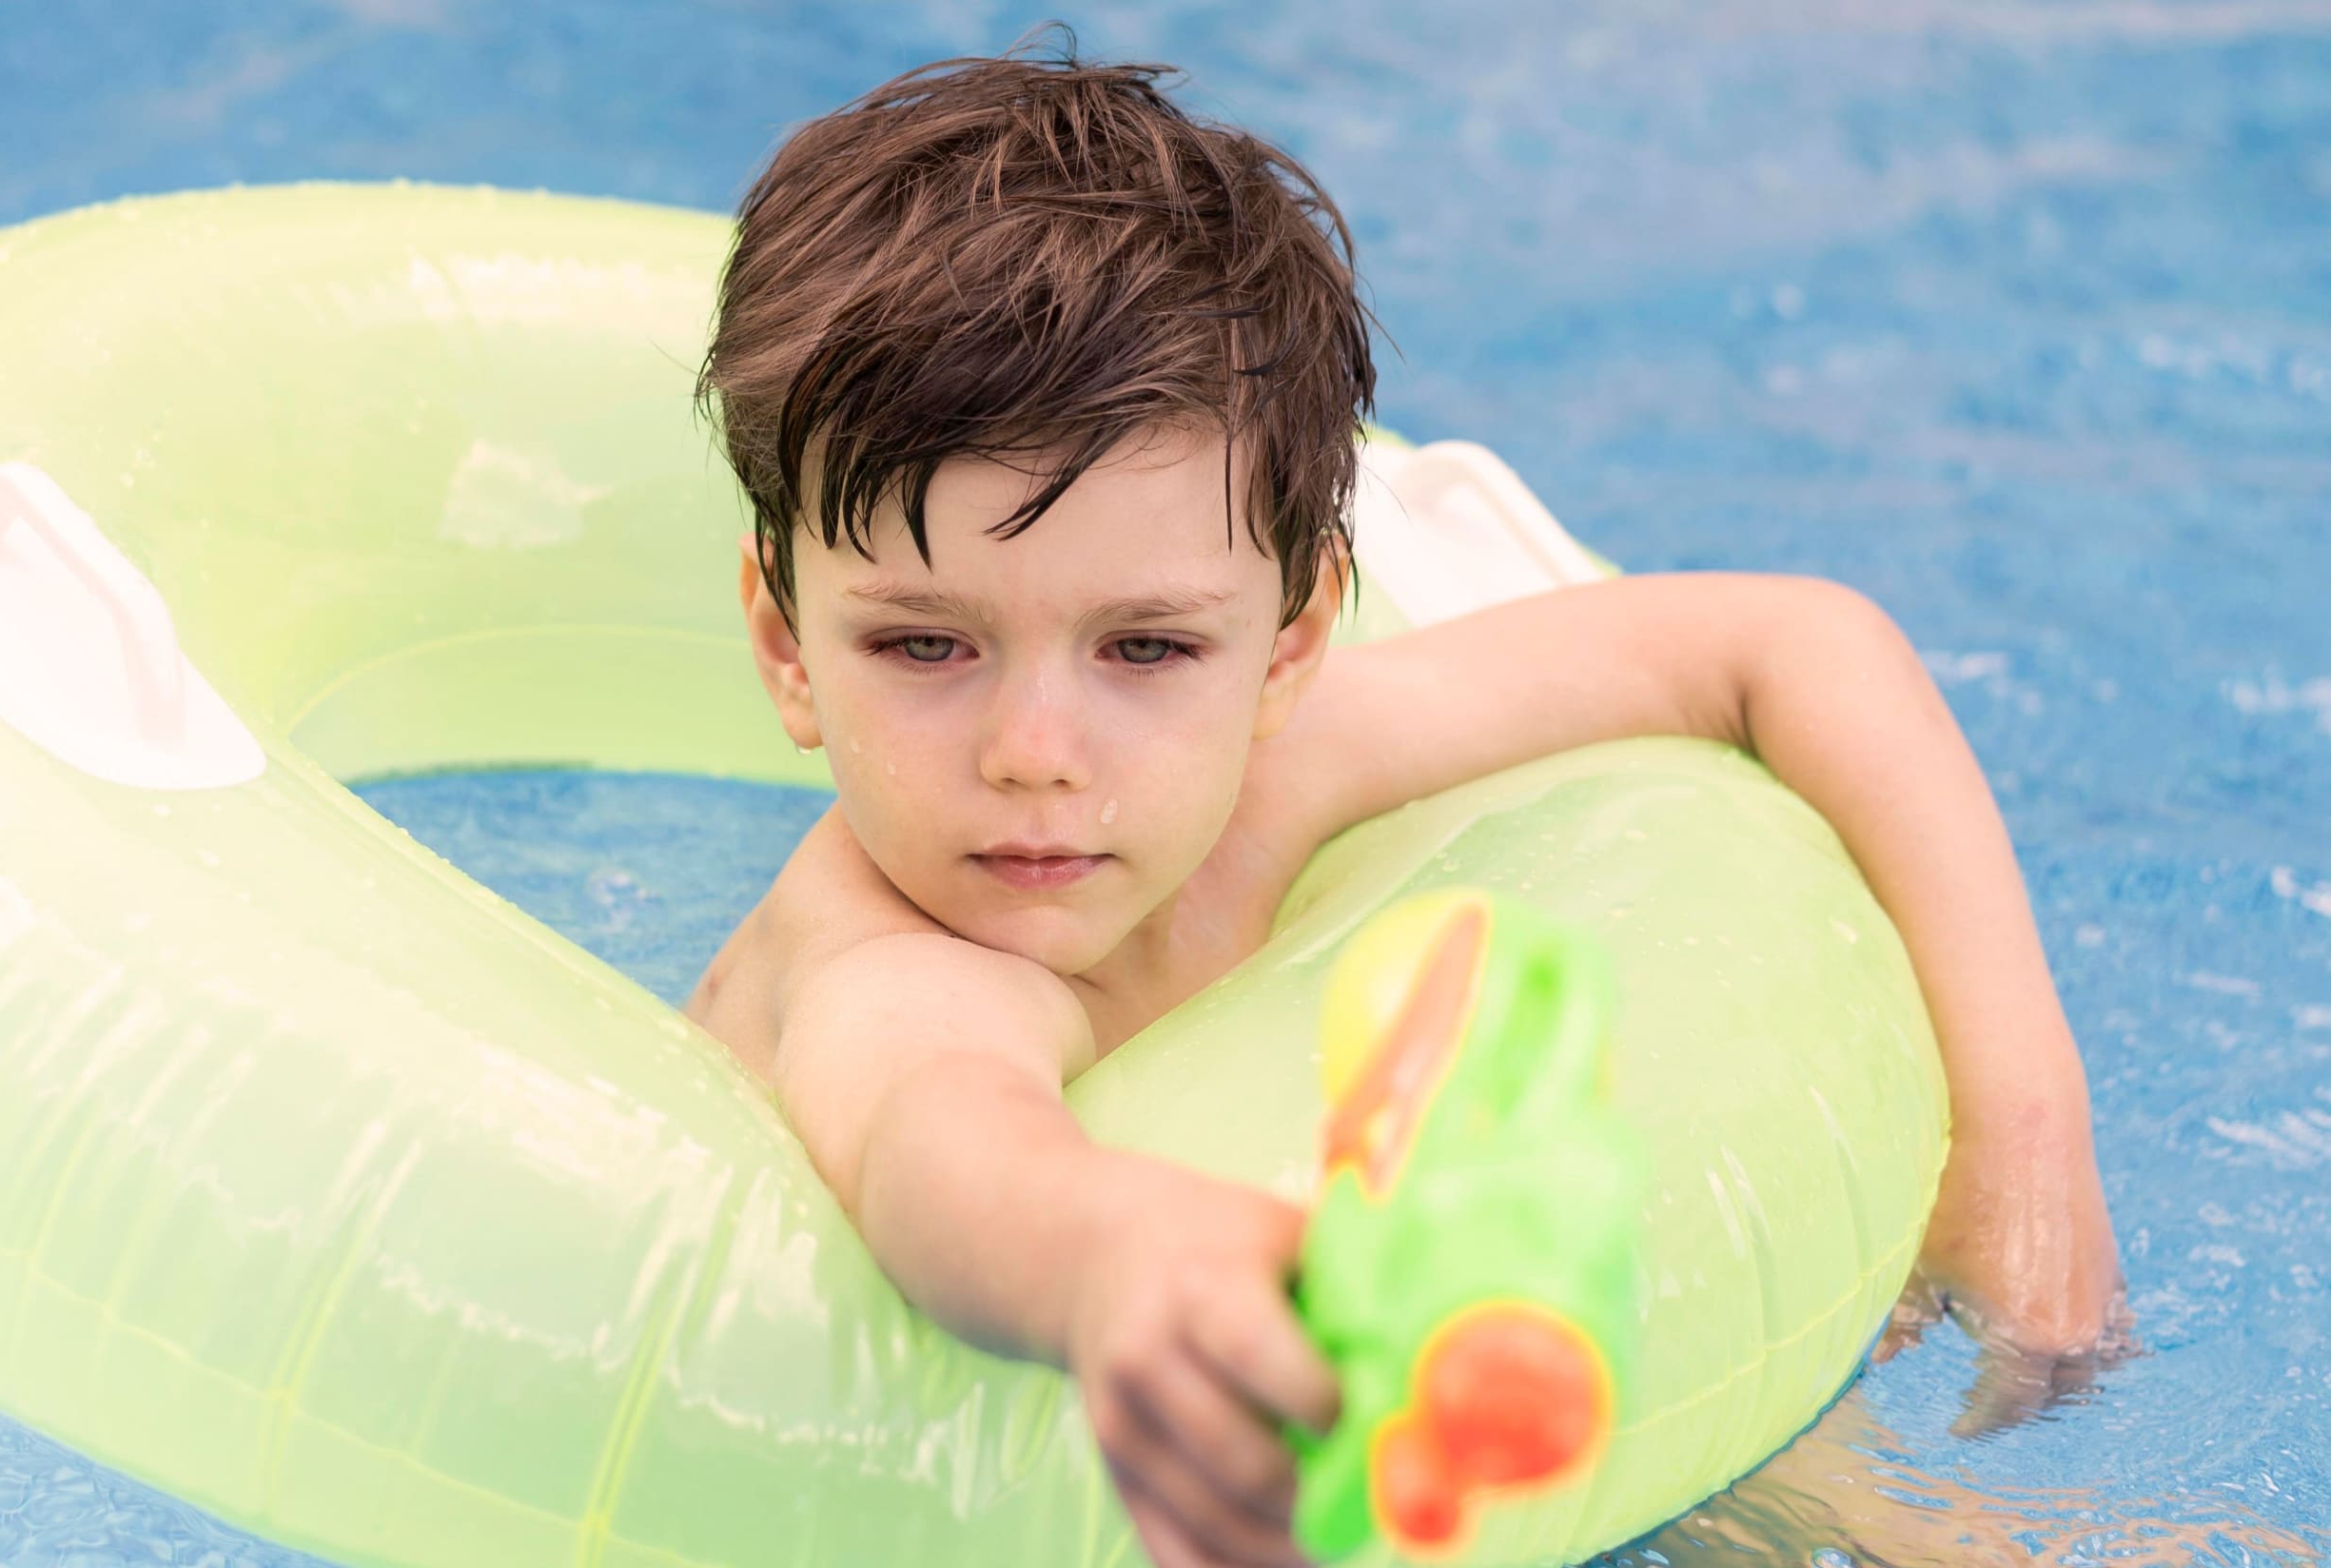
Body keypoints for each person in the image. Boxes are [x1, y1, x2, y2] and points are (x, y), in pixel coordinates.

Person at [681, 29, 2123, 1568]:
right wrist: (1122, 1259)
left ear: (1291, 640)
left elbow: (1793, 645)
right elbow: (939, 1146)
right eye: (925, 644)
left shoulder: (1271, 771)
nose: (1038, 748)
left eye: (1148, 647)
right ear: (786, 646)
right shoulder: (885, 964)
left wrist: (2021, 1144)